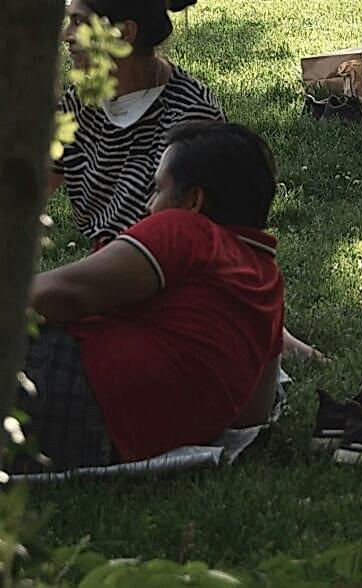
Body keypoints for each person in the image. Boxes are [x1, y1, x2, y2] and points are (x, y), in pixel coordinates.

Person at [19, 122, 284, 472]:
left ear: (192, 201)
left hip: (67, 387)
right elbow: (253, 414)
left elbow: (59, 296)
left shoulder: (187, 230)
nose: (148, 205)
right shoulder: (267, 282)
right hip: (104, 443)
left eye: (158, 189)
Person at [52, 0, 223, 246]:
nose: (65, 35)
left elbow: (178, 240)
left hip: (166, 267)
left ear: (125, 33)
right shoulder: (82, 101)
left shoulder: (191, 116)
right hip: (111, 266)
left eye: (79, 22)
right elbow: (25, 189)